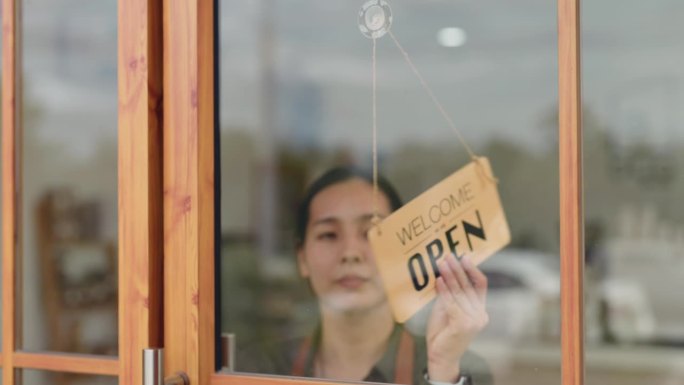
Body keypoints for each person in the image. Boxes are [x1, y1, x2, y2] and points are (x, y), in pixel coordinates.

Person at [241, 167, 492, 385]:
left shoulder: (461, 370)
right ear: (302, 258)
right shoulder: (257, 369)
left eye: (372, 233)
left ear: (404, 252)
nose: (350, 253)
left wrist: (442, 371)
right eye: (328, 235)